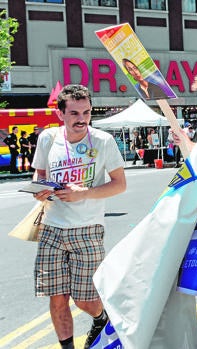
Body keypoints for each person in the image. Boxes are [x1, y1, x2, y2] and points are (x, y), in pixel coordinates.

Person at [31, 84, 127, 349]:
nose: (82, 119)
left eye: (86, 112)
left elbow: (120, 184)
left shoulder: (102, 141)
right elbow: (39, 177)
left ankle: (101, 317)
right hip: (52, 227)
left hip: (88, 229)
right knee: (57, 297)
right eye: (74, 113)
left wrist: (83, 193)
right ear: (61, 114)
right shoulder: (48, 138)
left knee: (84, 299)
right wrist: (39, 190)